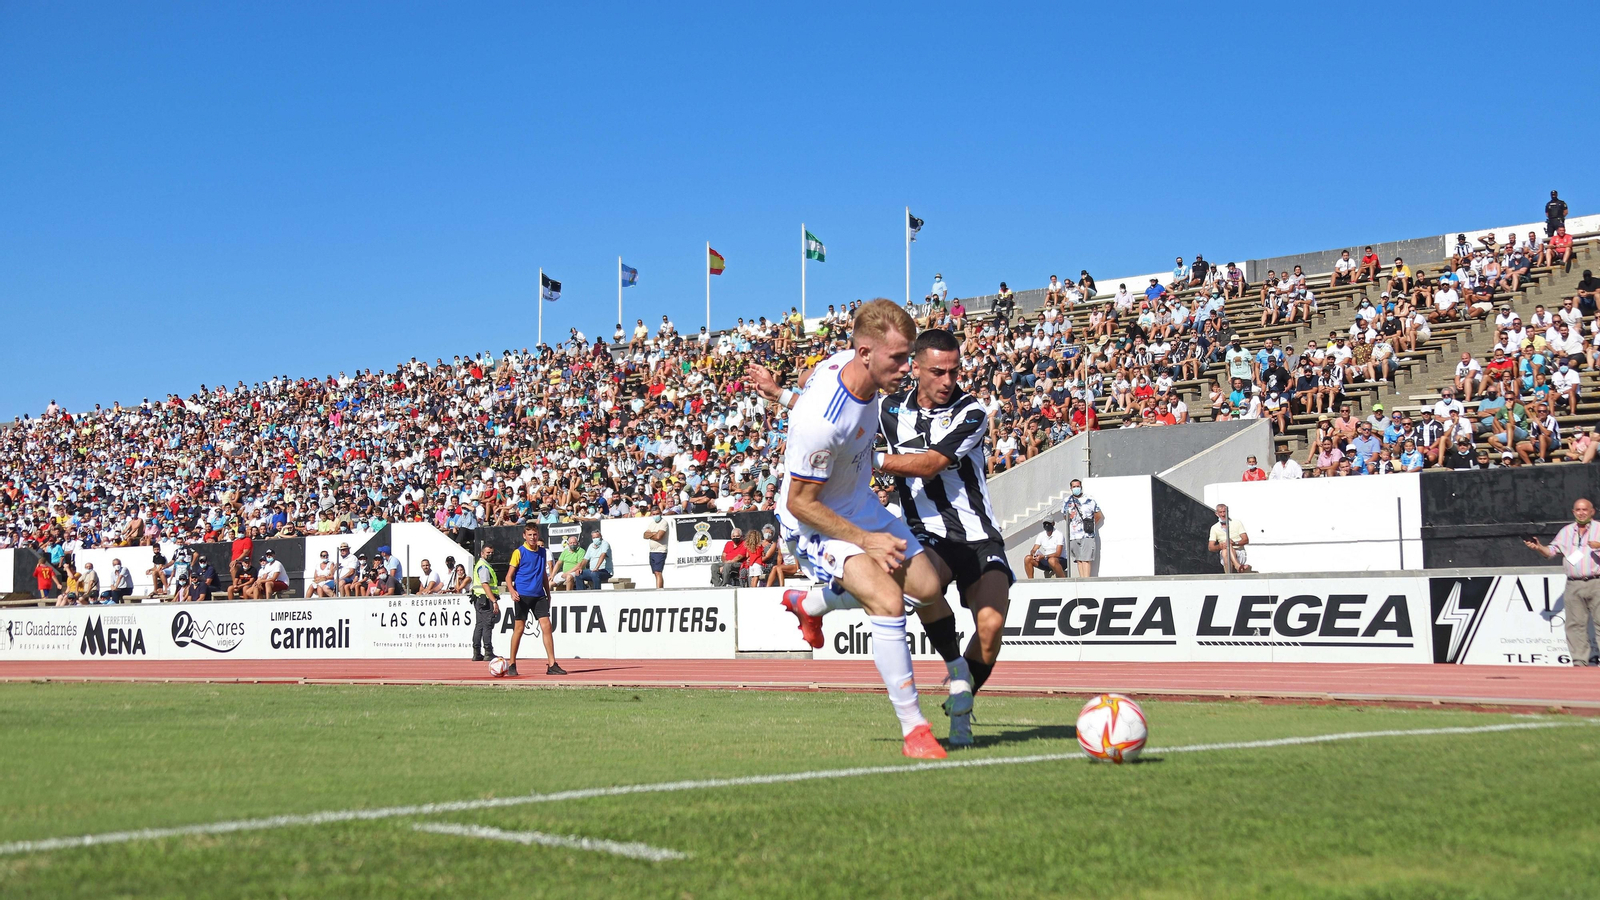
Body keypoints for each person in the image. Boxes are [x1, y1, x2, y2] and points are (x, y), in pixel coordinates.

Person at [751, 299, 948, 758]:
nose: (909, 367)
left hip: (857, 503)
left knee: (929, 587)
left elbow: (809, 382)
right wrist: (866, 541)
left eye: (909, 355)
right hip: (812, 523)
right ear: (864, 354)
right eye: (899, 358)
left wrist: (780, 392)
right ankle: (914, 728)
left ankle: (811, 603)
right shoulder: (819, 424)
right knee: (887, 598)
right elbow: (802, 502)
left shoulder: (840, 365)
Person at [1523, 498, 1600, 667]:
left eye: (1585, 509)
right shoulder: (1566, 531)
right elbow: (1551, 552)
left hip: (1597, 582)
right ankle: (1580, 664)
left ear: (1592, 511)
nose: (1581, 513)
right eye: (1578, 510)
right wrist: (1538, 547)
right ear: (1573, 512)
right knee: (1575, 626)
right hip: (1573, 584)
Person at [505, 523, 565, 675]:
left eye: (535, 534)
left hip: (539, 594)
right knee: (519, 628)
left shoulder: (543, 552)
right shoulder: (519, 552)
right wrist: (512, 591)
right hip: (523, 595)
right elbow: (508, 576)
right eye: (530, 535)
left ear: (538, 535)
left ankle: (552, 664)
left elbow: (544, 574)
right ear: (524, 536)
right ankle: (512, 663)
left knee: (547, 626)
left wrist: (548, 593)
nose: (532, 537)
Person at [1062, 478, 1102, 577]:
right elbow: (1065, 516)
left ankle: (1086, 580)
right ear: (1071, 488)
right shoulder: (1067, 501)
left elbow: (1098, 515)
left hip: (1087, 534)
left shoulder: (1090, 499)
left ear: (1081, 487)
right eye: (1074, 486)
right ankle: (1081, 579)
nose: (1076, 488)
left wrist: (1090, 525)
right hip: (1074, 535)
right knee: (1079, 559)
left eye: (1078, 486)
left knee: (1086, 559)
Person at [468, 545, 500, 662]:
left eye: (491, 552)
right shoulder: (484, 567)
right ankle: (488, 651)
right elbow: (485, 584)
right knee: (487, 625)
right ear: (482, 554)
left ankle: (476, 652)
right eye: (488, 553)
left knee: (480, 625)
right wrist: (494, 601)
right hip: (485, 599)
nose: (490, 555)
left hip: (479, 598)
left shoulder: (482, 565)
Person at [1208, 504, 1251, 573]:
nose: (1223, 514)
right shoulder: (1214, 528)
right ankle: (1237, 566)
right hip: (1224, 553)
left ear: (1228, 512)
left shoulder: (1237, 523)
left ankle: (1231, 573)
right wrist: (1220, 546)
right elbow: (1210, 547)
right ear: (1217, 514)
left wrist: (1234, 543)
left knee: (1227, 546)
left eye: (1224, 512)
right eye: (1220, 512)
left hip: (1239, 552)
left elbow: (1246, 539)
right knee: (1225, 550)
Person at [642, 514, 668, 589]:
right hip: (652, 551)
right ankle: (659, 588)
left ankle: (659, 590)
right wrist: (654, 533)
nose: (656, 516)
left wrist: (651, 535)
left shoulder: (663, 523)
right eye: (654, 514)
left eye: (657, 514)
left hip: (660, 551)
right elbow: (644, 535)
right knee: (655, 572)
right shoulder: (652, 524)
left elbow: (658, 537)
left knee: (658, 572)